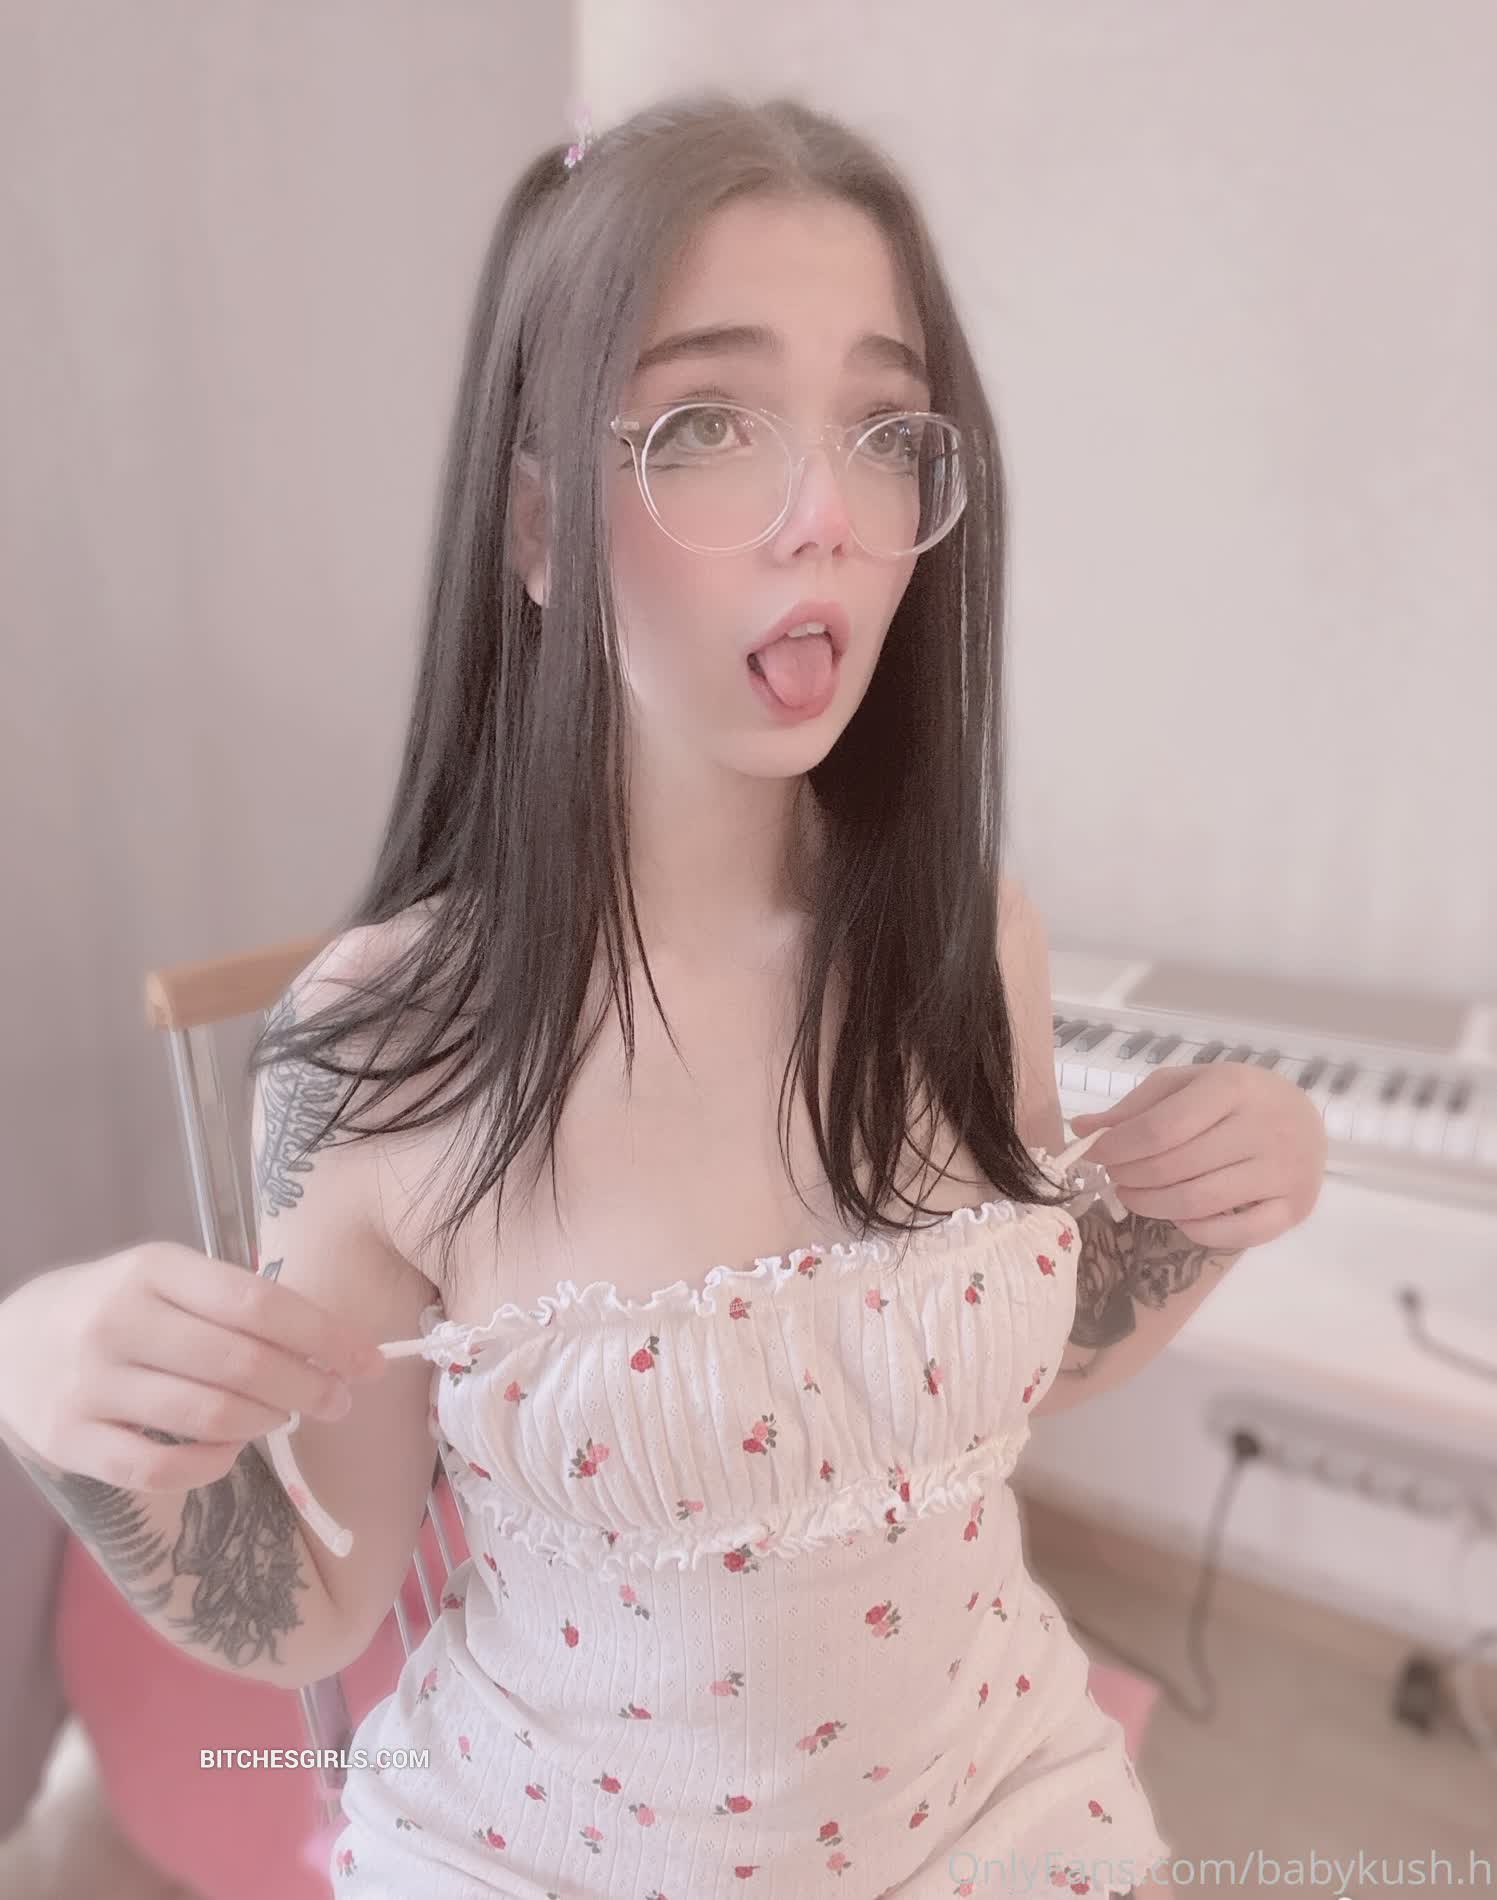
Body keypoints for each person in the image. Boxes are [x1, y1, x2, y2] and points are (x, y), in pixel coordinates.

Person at [7, 89, 1333, 1898]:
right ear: (540, 529)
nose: (827, 515)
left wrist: (1204, 1208)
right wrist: (63, 1416)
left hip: (996, 1801)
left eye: (883, 429)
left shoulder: (967, 939)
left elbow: (992, 1363)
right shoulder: (381, 1051)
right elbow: (313, 1599)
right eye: (709, 423)